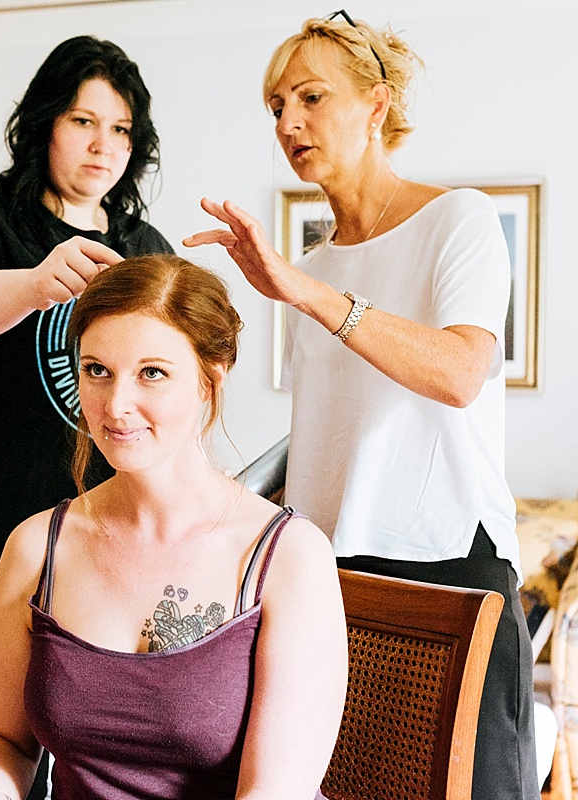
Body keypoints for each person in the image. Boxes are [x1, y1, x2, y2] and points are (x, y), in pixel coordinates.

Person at [184, 12, 536, 799]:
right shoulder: (313, 264)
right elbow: (331, 434)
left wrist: (302, 291)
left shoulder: (460, 220)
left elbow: (459, 373)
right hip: (333, 577)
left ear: (377, 105)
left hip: (452, 571)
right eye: (276, 105)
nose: (289, 122)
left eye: (310, 97)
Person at [0, 254, 348, 799]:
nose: (116, 404)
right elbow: (0, 739)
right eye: (96, 370)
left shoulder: (288, 556)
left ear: (211, 379)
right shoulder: (37, 546)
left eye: (152, 373)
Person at [0, 35, 173, 795]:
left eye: (120, 130)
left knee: (82, 751)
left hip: (89, 549)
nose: (102, 145)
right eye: (84, 121)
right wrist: (32, 284)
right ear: (45, 123)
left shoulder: (143, 248)